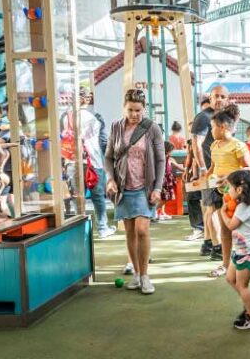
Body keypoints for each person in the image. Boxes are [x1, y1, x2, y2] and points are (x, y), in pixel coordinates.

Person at [104, 88, 165, 295]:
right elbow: (108, 157)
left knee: (142, 230)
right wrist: (110, 179)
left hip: (144, 187)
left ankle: (146, 275)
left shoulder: (152, 128)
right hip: (122, 187)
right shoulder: (116, 127)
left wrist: (157, 187)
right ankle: (137, 274)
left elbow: (160, 159)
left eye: (138, 110)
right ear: (124, 108)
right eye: (130, 110)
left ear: (144, 109)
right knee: (129, 232)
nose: (134, 114)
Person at [61, 87, 116, 238]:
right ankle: (103, 228)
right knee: (98, 196)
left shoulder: (66, 117)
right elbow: (102, 140)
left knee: (77, 197)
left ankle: (79, 229)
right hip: (93, 161)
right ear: (87, 99)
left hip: (72, 161)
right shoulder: (94, 118)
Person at [206, 104, 250, 278]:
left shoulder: (238, 146)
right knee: (225, 230)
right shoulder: (214, 146)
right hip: (220, 193)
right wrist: (203, 178)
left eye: (212, 128)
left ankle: (245, 261)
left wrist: (229, 175)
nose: (211, 132)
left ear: (223, 127)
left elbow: (249, 169)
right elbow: (213, 167)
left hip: (237, 196)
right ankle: (225, 264)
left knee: (240, 231)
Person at [218, 169, 250, 330]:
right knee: (230, 279)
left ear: (239, 190)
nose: (228, 190)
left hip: (248, 252)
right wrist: (223, 187)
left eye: (230, 187)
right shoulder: (241, 200)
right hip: (240, 249)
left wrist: (222, 212)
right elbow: (227, 193)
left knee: (242, 286)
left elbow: (231, 225)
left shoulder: (244, 206)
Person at [192, 88, 229, 258]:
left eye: (223, 96)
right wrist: (201, 169)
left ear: (228, 99)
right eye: (216, 96)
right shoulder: (203, 117)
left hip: (222, 171)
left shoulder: (224, 118)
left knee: (211, 208)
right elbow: (196, 144)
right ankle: (217, 248)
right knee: (213, 208)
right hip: (209, 171)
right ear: (210, 98)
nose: (219, 99)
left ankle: (207, 243)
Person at [183, 137, 204, 241]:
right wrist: (187, 169)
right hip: (198, 178)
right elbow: (191, 157)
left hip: (212, 176)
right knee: (192, 197)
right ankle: (198, 228)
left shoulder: (210, 140)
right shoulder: (192, 142)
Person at [156, 141, 179, 221]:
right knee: (164, 198)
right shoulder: (161, 158)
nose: (172, 152)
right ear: (167, 150)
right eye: (171, 150)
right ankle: (154, 211)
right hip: (163, 180)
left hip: (168, 180)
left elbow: (179, 167)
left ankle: (161, 213)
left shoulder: (170, 159)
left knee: (165, 197)